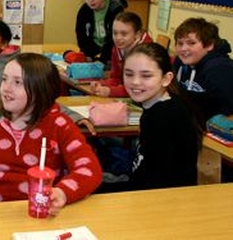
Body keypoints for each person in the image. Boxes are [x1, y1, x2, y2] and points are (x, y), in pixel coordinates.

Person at [0, 53, 102, 214]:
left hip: (40, 212)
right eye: (4, 79)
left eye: (17, 82)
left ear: (40, 88)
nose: (6, 88)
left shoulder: (59, 125)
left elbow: (90, 170)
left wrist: (62, 192)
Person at [122, 43, 203, 190]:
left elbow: (155, 182)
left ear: (166, 79)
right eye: (128, 74)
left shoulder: (162, 116)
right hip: (150, 190)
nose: (135, 81)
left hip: (163, 201)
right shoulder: (162, 104)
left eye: (146, 75)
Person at [173, 17, 233, 122]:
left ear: (209, 45)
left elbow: (228, 113)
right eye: (180, 43)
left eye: (191, 43)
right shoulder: (180, 61)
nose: (183, 49)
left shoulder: (220, 70)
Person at [89, 11, 152, 97]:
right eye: (115, 33)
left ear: (137, 35)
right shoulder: (118, 48)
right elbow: (116, 78)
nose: (118, 38)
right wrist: (100, 84)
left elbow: (138, 88)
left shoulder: (147, 53)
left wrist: (110, 91)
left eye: (124, 34)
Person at [75, 0, 126, 65]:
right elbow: (81, 35)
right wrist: (88, 55)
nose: (91, 0)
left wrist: (103, 59)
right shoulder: (84, 10)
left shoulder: (115, 10)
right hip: (93, 53)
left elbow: (115, 38)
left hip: (112, 54)